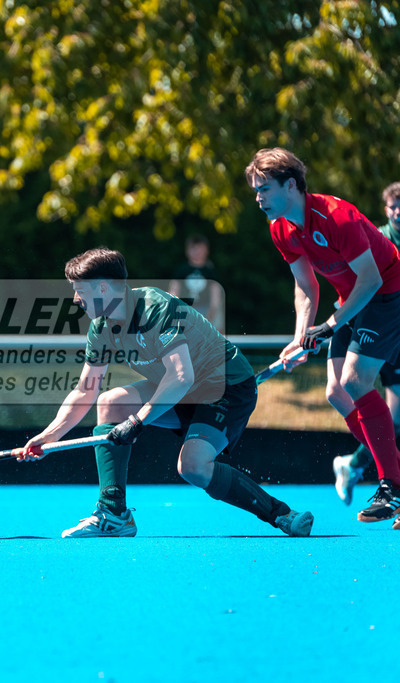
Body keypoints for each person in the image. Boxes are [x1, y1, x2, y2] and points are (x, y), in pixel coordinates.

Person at [15, 247, 314, 538]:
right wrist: (48, 436)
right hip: (178, 389)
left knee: (193, 467)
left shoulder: (156, 308)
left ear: (103, 288)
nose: (75, 299)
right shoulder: (101, 327)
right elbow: (86, 391)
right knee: (110, 402)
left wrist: (138, 421)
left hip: (224, 386)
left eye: (79, 290)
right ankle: (114, 514)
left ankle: (281, 515)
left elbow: (181, 376)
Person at [246, 148, 400, 525]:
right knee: (336, 391)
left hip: (388, 292)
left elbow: (372, 279)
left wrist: (329, 326)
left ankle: (391, 486)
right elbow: (305, 288)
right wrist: (301, 337)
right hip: (352, 299)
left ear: (292, 185)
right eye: (256, 190)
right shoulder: (280, 228)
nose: (258, 198)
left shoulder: (336, 216)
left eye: (264, 188)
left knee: (356, 378)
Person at [331, 181, 400, 508]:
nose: (398, 212)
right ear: (386, 210)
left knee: (395, 418)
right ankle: (378, 474)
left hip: (392, 326)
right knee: (339, 391)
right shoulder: (376, 233)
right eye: (392, 207)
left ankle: (356, 465)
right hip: (370, 320)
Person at [168, 234, 224, 332]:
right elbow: (173, 291)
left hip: (206, 310)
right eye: (193, 248)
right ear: (187, 251)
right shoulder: (182, 271)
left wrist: (210, 315)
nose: (196, 252)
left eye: (200, 248)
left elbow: (215, 296)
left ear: (207, 250)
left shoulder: (210, 272)